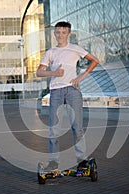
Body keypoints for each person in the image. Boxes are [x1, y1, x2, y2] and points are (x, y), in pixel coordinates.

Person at [36, 21, 99, 170]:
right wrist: (54, 73)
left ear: (69, 34)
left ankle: (81, 160)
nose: (60, 35)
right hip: (56, 92)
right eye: (58, 32)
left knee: (77, 127)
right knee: (54, 129)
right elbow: (39, 72)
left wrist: (80, 78)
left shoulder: (75, 49)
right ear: (54, 34)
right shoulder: (51, 52)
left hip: (72, 91)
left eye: (64, 32)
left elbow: (95, 61)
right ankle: (54, 162)